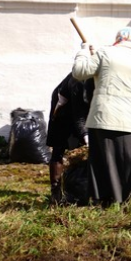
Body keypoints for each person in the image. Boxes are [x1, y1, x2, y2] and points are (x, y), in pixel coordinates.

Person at [72, 27, 131, 205]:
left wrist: (83, 51)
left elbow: (79, 72)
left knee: (105, 162)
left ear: (117, 39)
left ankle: (106, 201)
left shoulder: (105, 53)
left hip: (104, 118)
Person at [45, 72, 93, 205]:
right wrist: (85, 136)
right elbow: (79, 117)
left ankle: (81, 192)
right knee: (58, 149)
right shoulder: (78, 81)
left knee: (81, 150)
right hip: (61, 112)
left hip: (82, 111)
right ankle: (56, 193)